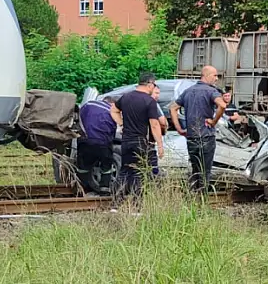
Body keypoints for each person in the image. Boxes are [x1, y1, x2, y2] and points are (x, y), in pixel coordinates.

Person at [110, 72, 165, 206]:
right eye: (154, 85)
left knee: (124, 171)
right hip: (141, 141)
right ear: (150, 84)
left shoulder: (126, 97)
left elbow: (113, 110)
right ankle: (136, 206)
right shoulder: (149, 101)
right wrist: (160, 144)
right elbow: (154, 124)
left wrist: (122, 123)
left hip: (126, 141)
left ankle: (116, 205)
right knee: (138, 173)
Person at [170, 65, 227, 194]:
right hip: (206, 136)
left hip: (191, 137)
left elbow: (173, 108)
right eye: (215, 75)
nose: (216, 79)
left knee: (195, 170)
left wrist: (179, 128)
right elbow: (222, 105)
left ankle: (193, 198)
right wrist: (213, 121)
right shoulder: (211, 91)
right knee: (205, 172)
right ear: (206, 75)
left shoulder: (188, 91)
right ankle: (202, 201)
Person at [75, 96, 117, 194]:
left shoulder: (89, 104)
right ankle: (104, 189)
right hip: (103, 143)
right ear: (112, 103)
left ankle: (82, 190)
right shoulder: (112, 111)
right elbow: (112, 132)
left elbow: (79, 119)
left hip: (85, 141)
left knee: (83, 167)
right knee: (106, 166)